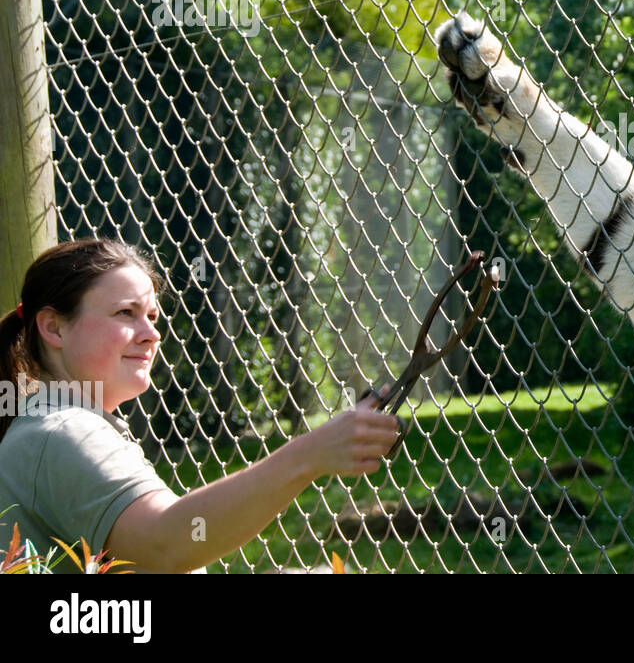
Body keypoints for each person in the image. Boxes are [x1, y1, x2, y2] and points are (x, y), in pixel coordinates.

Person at [0, 237, 401, 573]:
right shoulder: (61, 431)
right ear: (53, 327)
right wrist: (308, 455)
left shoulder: (47, 425)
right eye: (126, 313)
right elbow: (166, 543)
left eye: (152, 316)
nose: (151, 335)